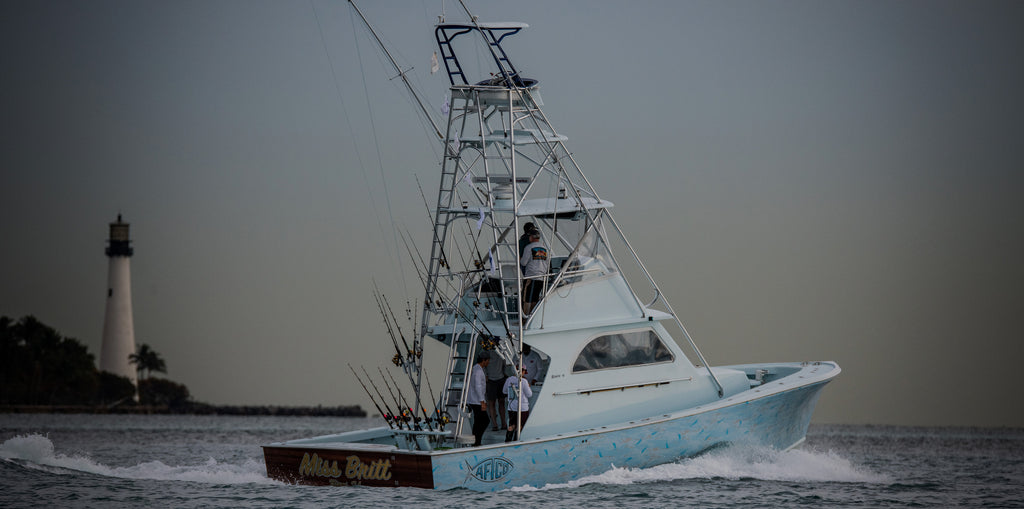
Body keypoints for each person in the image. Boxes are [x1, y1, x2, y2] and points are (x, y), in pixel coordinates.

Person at [519, 230, 548, 315]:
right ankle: (532, 317)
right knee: (535, 299)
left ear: (531, 237)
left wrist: (520, 258)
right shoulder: (544, 248)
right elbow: (546, 262)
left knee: (527, 299)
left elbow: (523, 262)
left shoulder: (528, 247)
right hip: (541, 278)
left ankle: (524, 320)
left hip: (531, 278)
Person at [502, 367, 533, 442]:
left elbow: (504, 391)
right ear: (522, 371)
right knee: (520, 426)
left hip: (511, 407)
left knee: (512, 425)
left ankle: (508, 441)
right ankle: (516, 441)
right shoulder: (524, 381)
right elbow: (529, 394)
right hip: (522, 408)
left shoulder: (509, 380)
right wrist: (528, 387)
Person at [466, 352, 490, 446]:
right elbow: (478, 387)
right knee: (484, 421)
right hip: (476, 401)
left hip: (474, 400)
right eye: (487, 361)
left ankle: (476, 441)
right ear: (484, 360)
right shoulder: (478, 371)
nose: (488, 363)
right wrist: (482, 401)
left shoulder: (476, 368)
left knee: (478, 421)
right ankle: (476, 441)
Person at [485, 349, 508, 431]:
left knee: (494, 403)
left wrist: (486, 375)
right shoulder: (501, 351)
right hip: (495, 379)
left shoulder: (485, 352)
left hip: (495, 379)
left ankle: (500, 424)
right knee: (495, 403)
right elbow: (504, 365)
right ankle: (498, 424)